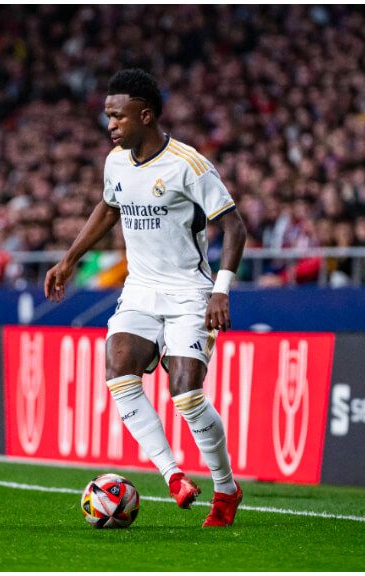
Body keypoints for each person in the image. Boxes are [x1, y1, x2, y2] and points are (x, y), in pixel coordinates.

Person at [44, 69, 248, 527]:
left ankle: (227, 489)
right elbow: (109, 206)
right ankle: (173, 476)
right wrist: (70, 258)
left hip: (190, 292)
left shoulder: (188, 165)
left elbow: (234, 226)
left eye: (117, 116)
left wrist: (221, 290)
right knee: (118, 370)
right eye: (107, 116)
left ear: (146, 114)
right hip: (140, 288)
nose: (110, 124)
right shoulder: (116, 161)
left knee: (186, 394)